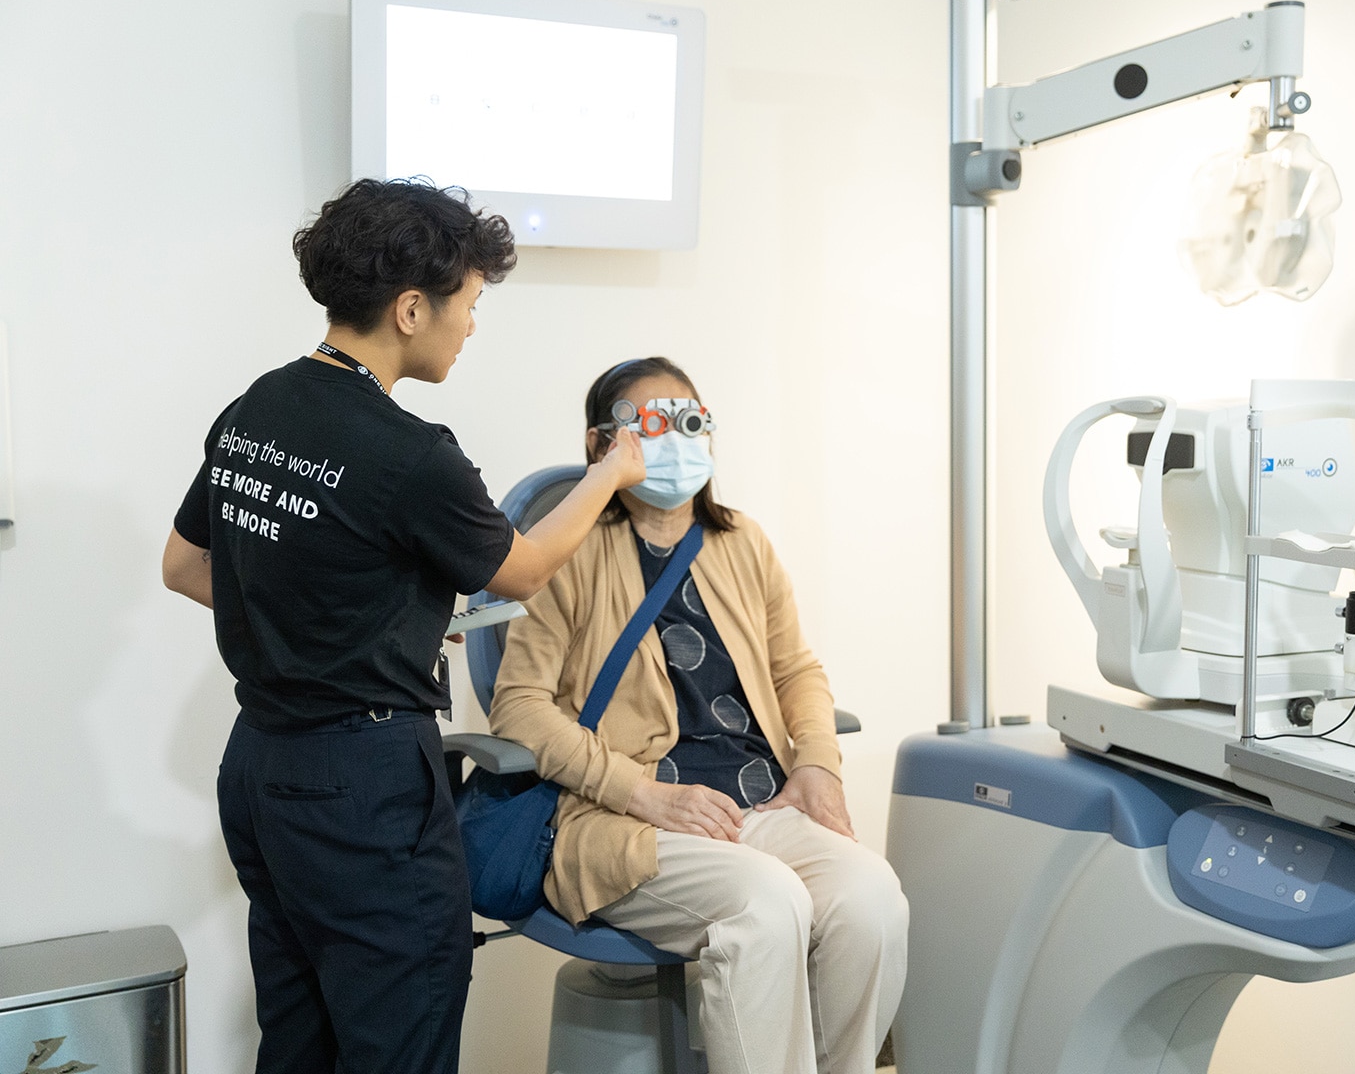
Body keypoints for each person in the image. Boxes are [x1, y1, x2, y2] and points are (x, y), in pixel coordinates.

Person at [160, 178, 644, 1074]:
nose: (472, 325)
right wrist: (610, 475)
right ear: (413, 308)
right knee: (400, 1038)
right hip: (364, 787)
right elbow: (527, 571)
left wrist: (328, 623)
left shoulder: (255, 409)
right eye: (469, 302)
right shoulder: (412, 452)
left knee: (301, 1036)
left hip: (261, 768)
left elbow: (185, 567)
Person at [489, 356, 909, 1074]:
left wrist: (815, 764)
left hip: (757, 802)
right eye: (652, 423)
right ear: (602, 446)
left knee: (872, 898)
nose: (677, 438)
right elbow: (519, 708)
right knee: (767, 903)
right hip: (626, 816)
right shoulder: (569, 551)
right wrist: (642, 792)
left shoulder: (742, 542)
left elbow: (796, 671)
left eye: (691, 420)